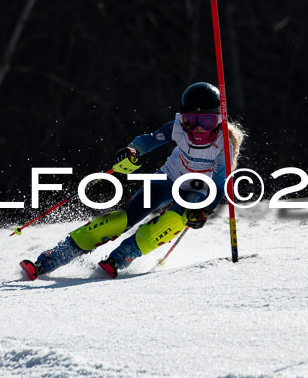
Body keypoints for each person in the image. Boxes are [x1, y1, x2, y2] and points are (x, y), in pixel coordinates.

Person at [20, 82, 245, 280]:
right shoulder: (177, 129)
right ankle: (51, 259)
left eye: (206, 121)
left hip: (196, 190)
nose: (197, 128)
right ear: (182, 118)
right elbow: (147, 141)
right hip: (168, 178)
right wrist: (133, 150)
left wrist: (205, 208)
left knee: (172, 221)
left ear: (219, 120)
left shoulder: (223, 143)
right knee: (123, 220)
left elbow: (218, 184)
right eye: (191, 120)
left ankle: (121, 257)